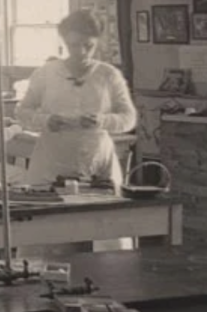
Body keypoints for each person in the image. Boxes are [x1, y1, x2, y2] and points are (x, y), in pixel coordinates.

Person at [15, 10, 136, 189]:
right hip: (51, 160)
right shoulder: (46, 73)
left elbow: (129, 118)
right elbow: (22, 112)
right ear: (64, 42)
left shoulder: (109, 75)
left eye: (88, 45)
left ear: (98, 43)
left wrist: (102, 120)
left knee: (100, 213)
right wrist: (46, 120)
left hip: (95, 158)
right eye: (73, 45)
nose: (81, 52)